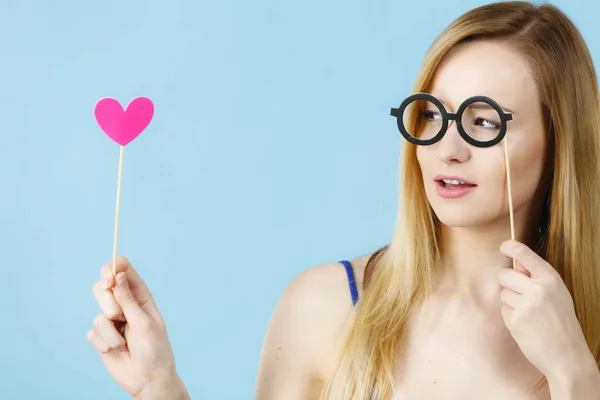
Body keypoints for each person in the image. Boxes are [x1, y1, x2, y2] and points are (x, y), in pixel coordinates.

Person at [88, 2, 600, 399]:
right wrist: (160, 385)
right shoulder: (324, 306)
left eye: (484, 122)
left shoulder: (583, 337)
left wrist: (573, 373)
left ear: (560, 141)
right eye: (432, 115)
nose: (448, 149)